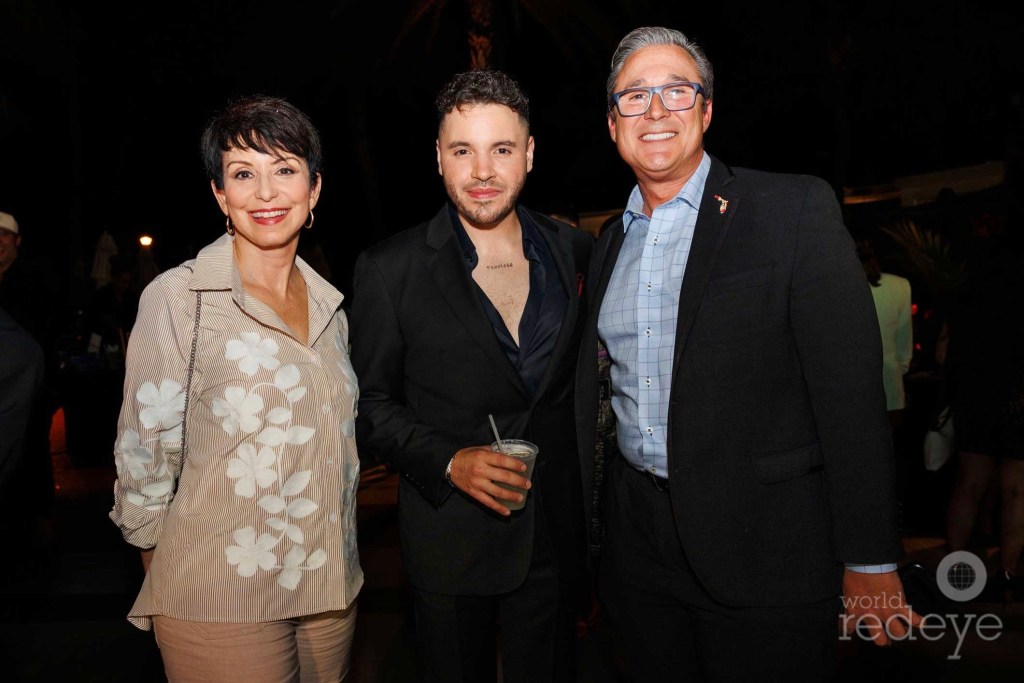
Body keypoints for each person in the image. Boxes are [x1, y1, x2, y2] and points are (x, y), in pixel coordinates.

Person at [574, 27, 921, 680]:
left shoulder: (789, 209)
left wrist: (870, 557)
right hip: (638, 554)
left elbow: (848, 393)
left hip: (766, 551)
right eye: (634, 95)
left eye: (677, 91)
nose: (655, 111)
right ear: (612, 122)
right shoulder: (611, 242)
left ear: (706, 110)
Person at [349, 69, 593, 683]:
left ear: (529, 154)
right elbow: (369, 407)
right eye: (463, 150)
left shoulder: (575, 252)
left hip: (557, 540)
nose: (482, 171)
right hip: (450, 543)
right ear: (439, 157)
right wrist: (450, 460)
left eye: (502, 149)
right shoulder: (389, 270)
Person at [108, 94, 363, 681]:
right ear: (221, 195)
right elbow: (145, 444)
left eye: (285, 170)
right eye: (244, 174)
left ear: (314, 188)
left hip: (330, 584)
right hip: (220, 588)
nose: (267, 193)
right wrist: (154, 551)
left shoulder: (332, 307)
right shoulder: (179, 297)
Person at [944, 220, 1024, 602]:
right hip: (1015, 398)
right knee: (1015, 490)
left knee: (969, 485)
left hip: (975, 395)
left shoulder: (967, 297)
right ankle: (1008, 572)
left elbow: (949, 355)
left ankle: (953, 570)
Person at [0, 209, 60, 548]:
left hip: (28, 390)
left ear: (17, 241)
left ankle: (36, 523)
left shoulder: (32, 281)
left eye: (4, 235)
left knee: (31, 449)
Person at [856, 239, 913, 426]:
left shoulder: (837, 289)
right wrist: (900, 369)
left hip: (853, 390)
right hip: (891, 386)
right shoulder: (900, 286)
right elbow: (904, 344)